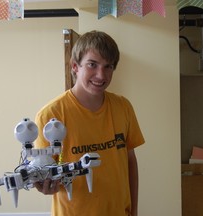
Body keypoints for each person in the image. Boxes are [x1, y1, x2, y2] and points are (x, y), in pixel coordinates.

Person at [34, 30, 145, 216]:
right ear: (75, 66)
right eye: (92, 65)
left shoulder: (123, 107)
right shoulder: (51, 115)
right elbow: (45, 172)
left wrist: (134, 211)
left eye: (108, 66)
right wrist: (46, 186)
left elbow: (130, 160)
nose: (101, 75)